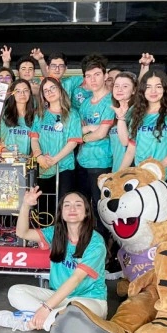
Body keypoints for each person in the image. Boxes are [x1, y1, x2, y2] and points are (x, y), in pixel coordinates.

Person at [0, 188, 107, 332]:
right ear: (61, 212)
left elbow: (76, 279)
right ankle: (52, 321)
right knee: (15, 292)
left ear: (86, 212)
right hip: (58, 298)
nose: (72, 208)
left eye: (78, 205)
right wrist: (26, 205)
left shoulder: (96, 243)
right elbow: (22, 233)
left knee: (75, 312)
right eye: (67, 205)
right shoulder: (55, 233)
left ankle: (27, 322)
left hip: (90, 301)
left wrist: (46, 307)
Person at [122, 69, 167, 238]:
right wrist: (119, 174)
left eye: (158, 86)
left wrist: (157, 168)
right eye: (148, 87)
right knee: (147, 223)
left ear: (165, 89)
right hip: (143, 177)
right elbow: (131, 149)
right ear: (142, 90)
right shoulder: (135, 113)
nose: (153, 91)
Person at [29, 77, 83, 216]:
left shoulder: (72, 114)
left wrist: (54, 159)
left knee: (61, 208)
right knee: (43, 209)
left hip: (64, 167)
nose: (50, 92)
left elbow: (73, 142)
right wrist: (39, 156)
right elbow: (34, 139)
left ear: (60, 89)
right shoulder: (40, 114)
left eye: (53, 88)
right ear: (43, 95)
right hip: (43, 168)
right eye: (46, 90)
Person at [76, 54, 114, 236]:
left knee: (101, 208)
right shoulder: (84, 104)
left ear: (105, 76)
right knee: (83, 206)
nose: (93, 79)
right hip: (82, 161)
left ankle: (104, 245)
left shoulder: (111, 101)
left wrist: (85, 134)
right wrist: (89, 129)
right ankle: (85, 241)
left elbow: (101, 133)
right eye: (89, 76)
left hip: (101, 162)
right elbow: (79, 130)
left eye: (97, 74)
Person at [0, 79, 38, 156]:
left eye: (25, 90)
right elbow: (1, 142)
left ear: (30, 93)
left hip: (28, 160)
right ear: (13, 94)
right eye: (18, 91)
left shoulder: (35, 116)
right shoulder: (6, 115)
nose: (22, 94)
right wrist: (14, 156)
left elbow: (37, 143)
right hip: (8, 159)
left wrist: (28, 159)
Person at [108, 72, 135, 173]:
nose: (119, 89)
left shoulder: (136, 111)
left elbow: (125, 142)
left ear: (134, 90)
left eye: (125, 86)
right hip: (117, 167)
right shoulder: (114, 110)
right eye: (116, 86)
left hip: (131, 171)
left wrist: (121, 117)